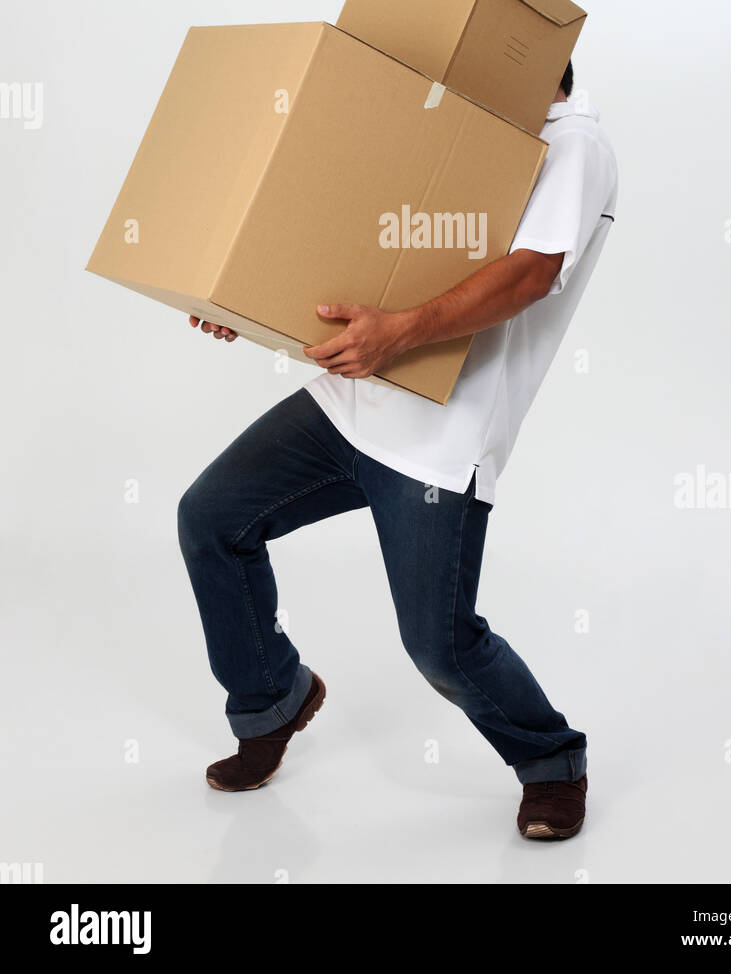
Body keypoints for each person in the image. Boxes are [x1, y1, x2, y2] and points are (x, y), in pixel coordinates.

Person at [179, 60, 617, 840]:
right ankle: (273, 698)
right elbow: (363, 233)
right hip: (346, 407)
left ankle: (551, 761)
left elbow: (529, 274)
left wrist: (403, 332)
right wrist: (246, 300)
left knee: (440, 645)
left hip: (438, 442)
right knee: (211, 517)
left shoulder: (573, 145)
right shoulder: (454, 121)